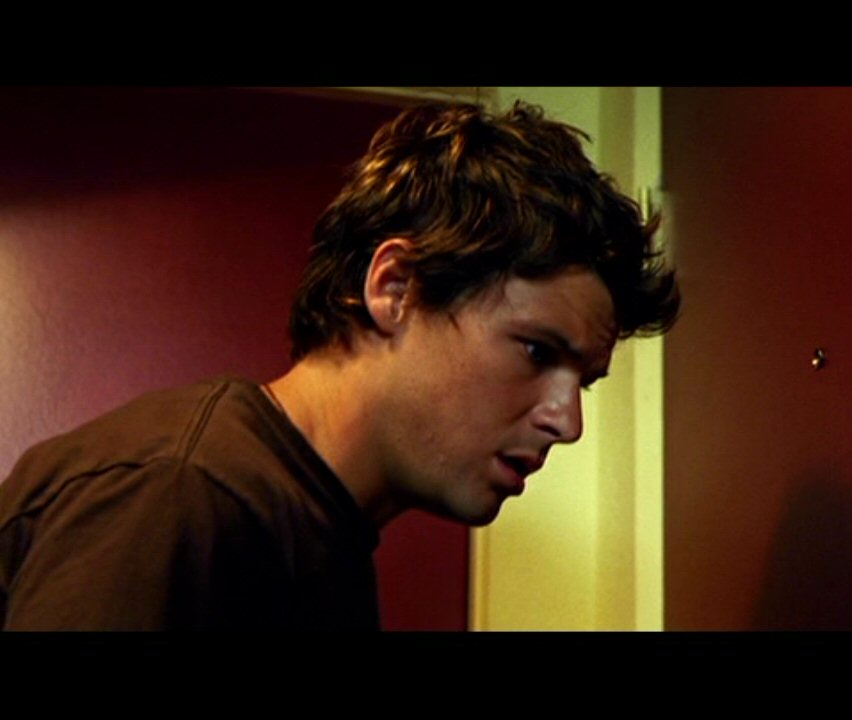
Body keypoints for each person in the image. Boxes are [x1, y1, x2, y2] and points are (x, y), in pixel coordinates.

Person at [0, 100, 680, 630]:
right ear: (395, 288)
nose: (567, 422)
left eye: (583, 381)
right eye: (536, 351)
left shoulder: (324, 539)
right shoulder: (183, 493)